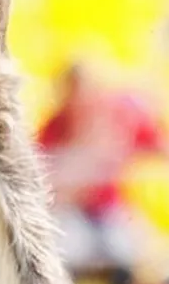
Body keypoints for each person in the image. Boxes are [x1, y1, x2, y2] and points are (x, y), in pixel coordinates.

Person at [37, 63, 167, 270]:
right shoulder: (54, 127)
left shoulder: (118, 118)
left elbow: (156, 146)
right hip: (72, 212)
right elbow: (45, 177)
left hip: (109, 209)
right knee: (68, 245)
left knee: (125, 246)